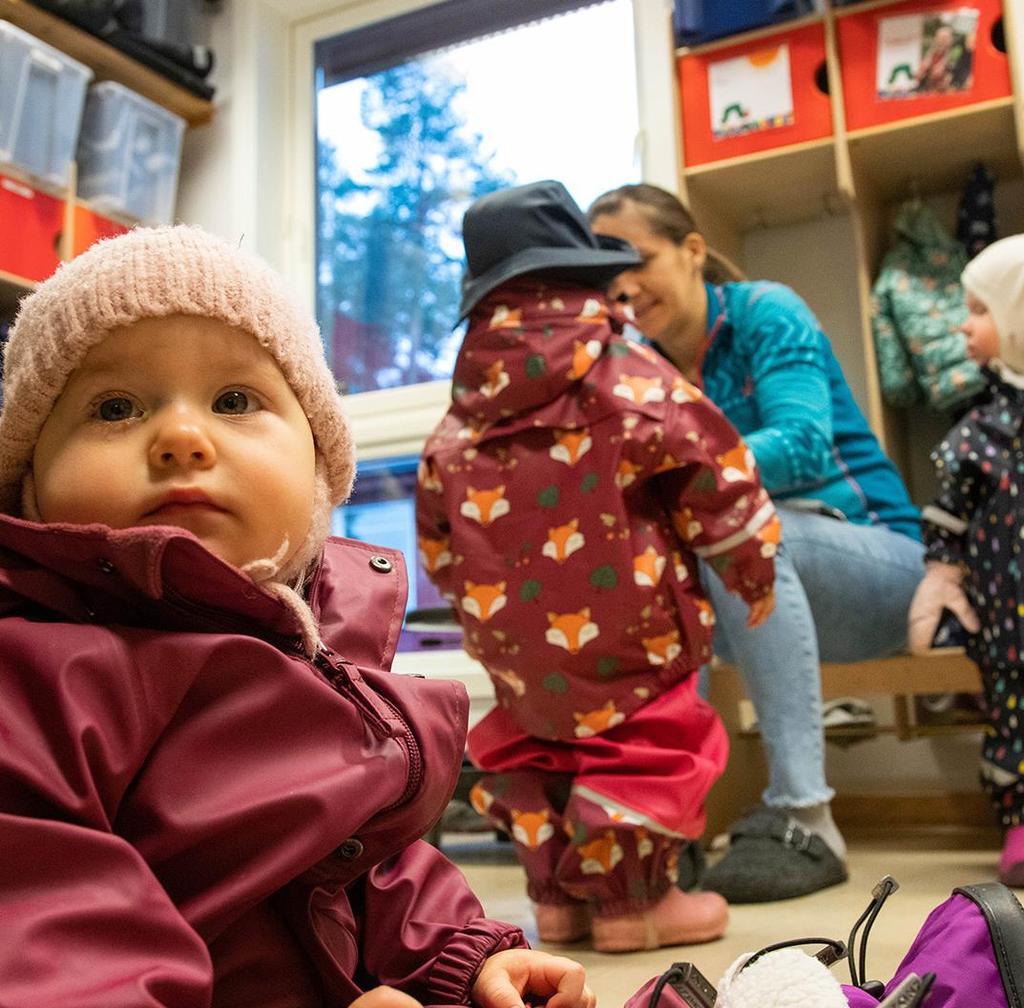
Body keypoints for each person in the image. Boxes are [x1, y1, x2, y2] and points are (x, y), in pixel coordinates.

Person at [0, 225, 595, 1008]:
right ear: (29, 484)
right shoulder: (32, 677)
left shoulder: (322, 649)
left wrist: (465, 958)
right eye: (115, 407)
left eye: (234, 400)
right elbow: (51, 930)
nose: (181, 436)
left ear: (318, 469)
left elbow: (361, 863)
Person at [416, 180, 779, 952]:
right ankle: (634, 905)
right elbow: (714, 467)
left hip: (517, 646)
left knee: (539, 748)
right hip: (631, 626)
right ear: (586, 278)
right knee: (643, 743)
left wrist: (483, 611)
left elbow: (437, 540)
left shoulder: (459, 418)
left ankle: (556, 901)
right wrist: (752, 565)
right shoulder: (630, 376)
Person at [588, 183, 924, 903]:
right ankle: (670, 827)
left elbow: (801, 447)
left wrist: (664, 472)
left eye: (638, 261)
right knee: (654, 578)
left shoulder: (766, 311)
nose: (624, 288)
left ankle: (807, 816)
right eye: (607, 278)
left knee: (739, 542)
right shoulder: (640, 369)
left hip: (880, 566)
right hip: (757, 584)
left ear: (694, 251)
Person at [907, 234, 1024, 886]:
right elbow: (949, 513)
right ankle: (1020, 819)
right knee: (1011, 712)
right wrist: (941, 576)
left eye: (979, 309)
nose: (963, 323)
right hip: (1009, 623)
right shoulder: (979, 433)